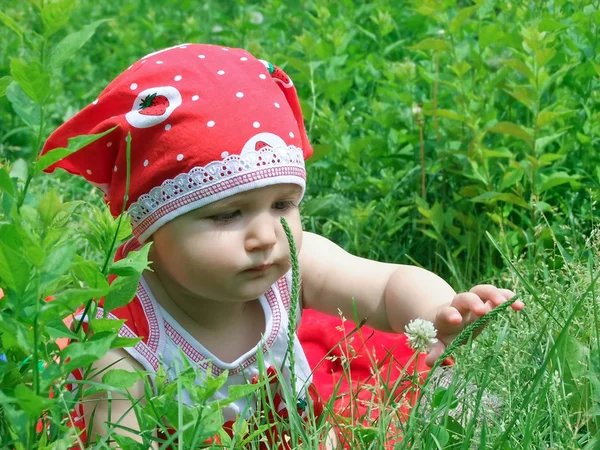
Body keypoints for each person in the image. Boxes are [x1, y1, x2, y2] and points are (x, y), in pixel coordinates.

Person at [40, 43, 524, 448]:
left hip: (300, 434)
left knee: (411, 383)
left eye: (282, 204)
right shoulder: (122, 341)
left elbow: (385, 284)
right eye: (226, 215)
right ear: (149, 229)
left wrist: (439, 311)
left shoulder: (293, 264)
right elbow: (120, 438)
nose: (266, 236)